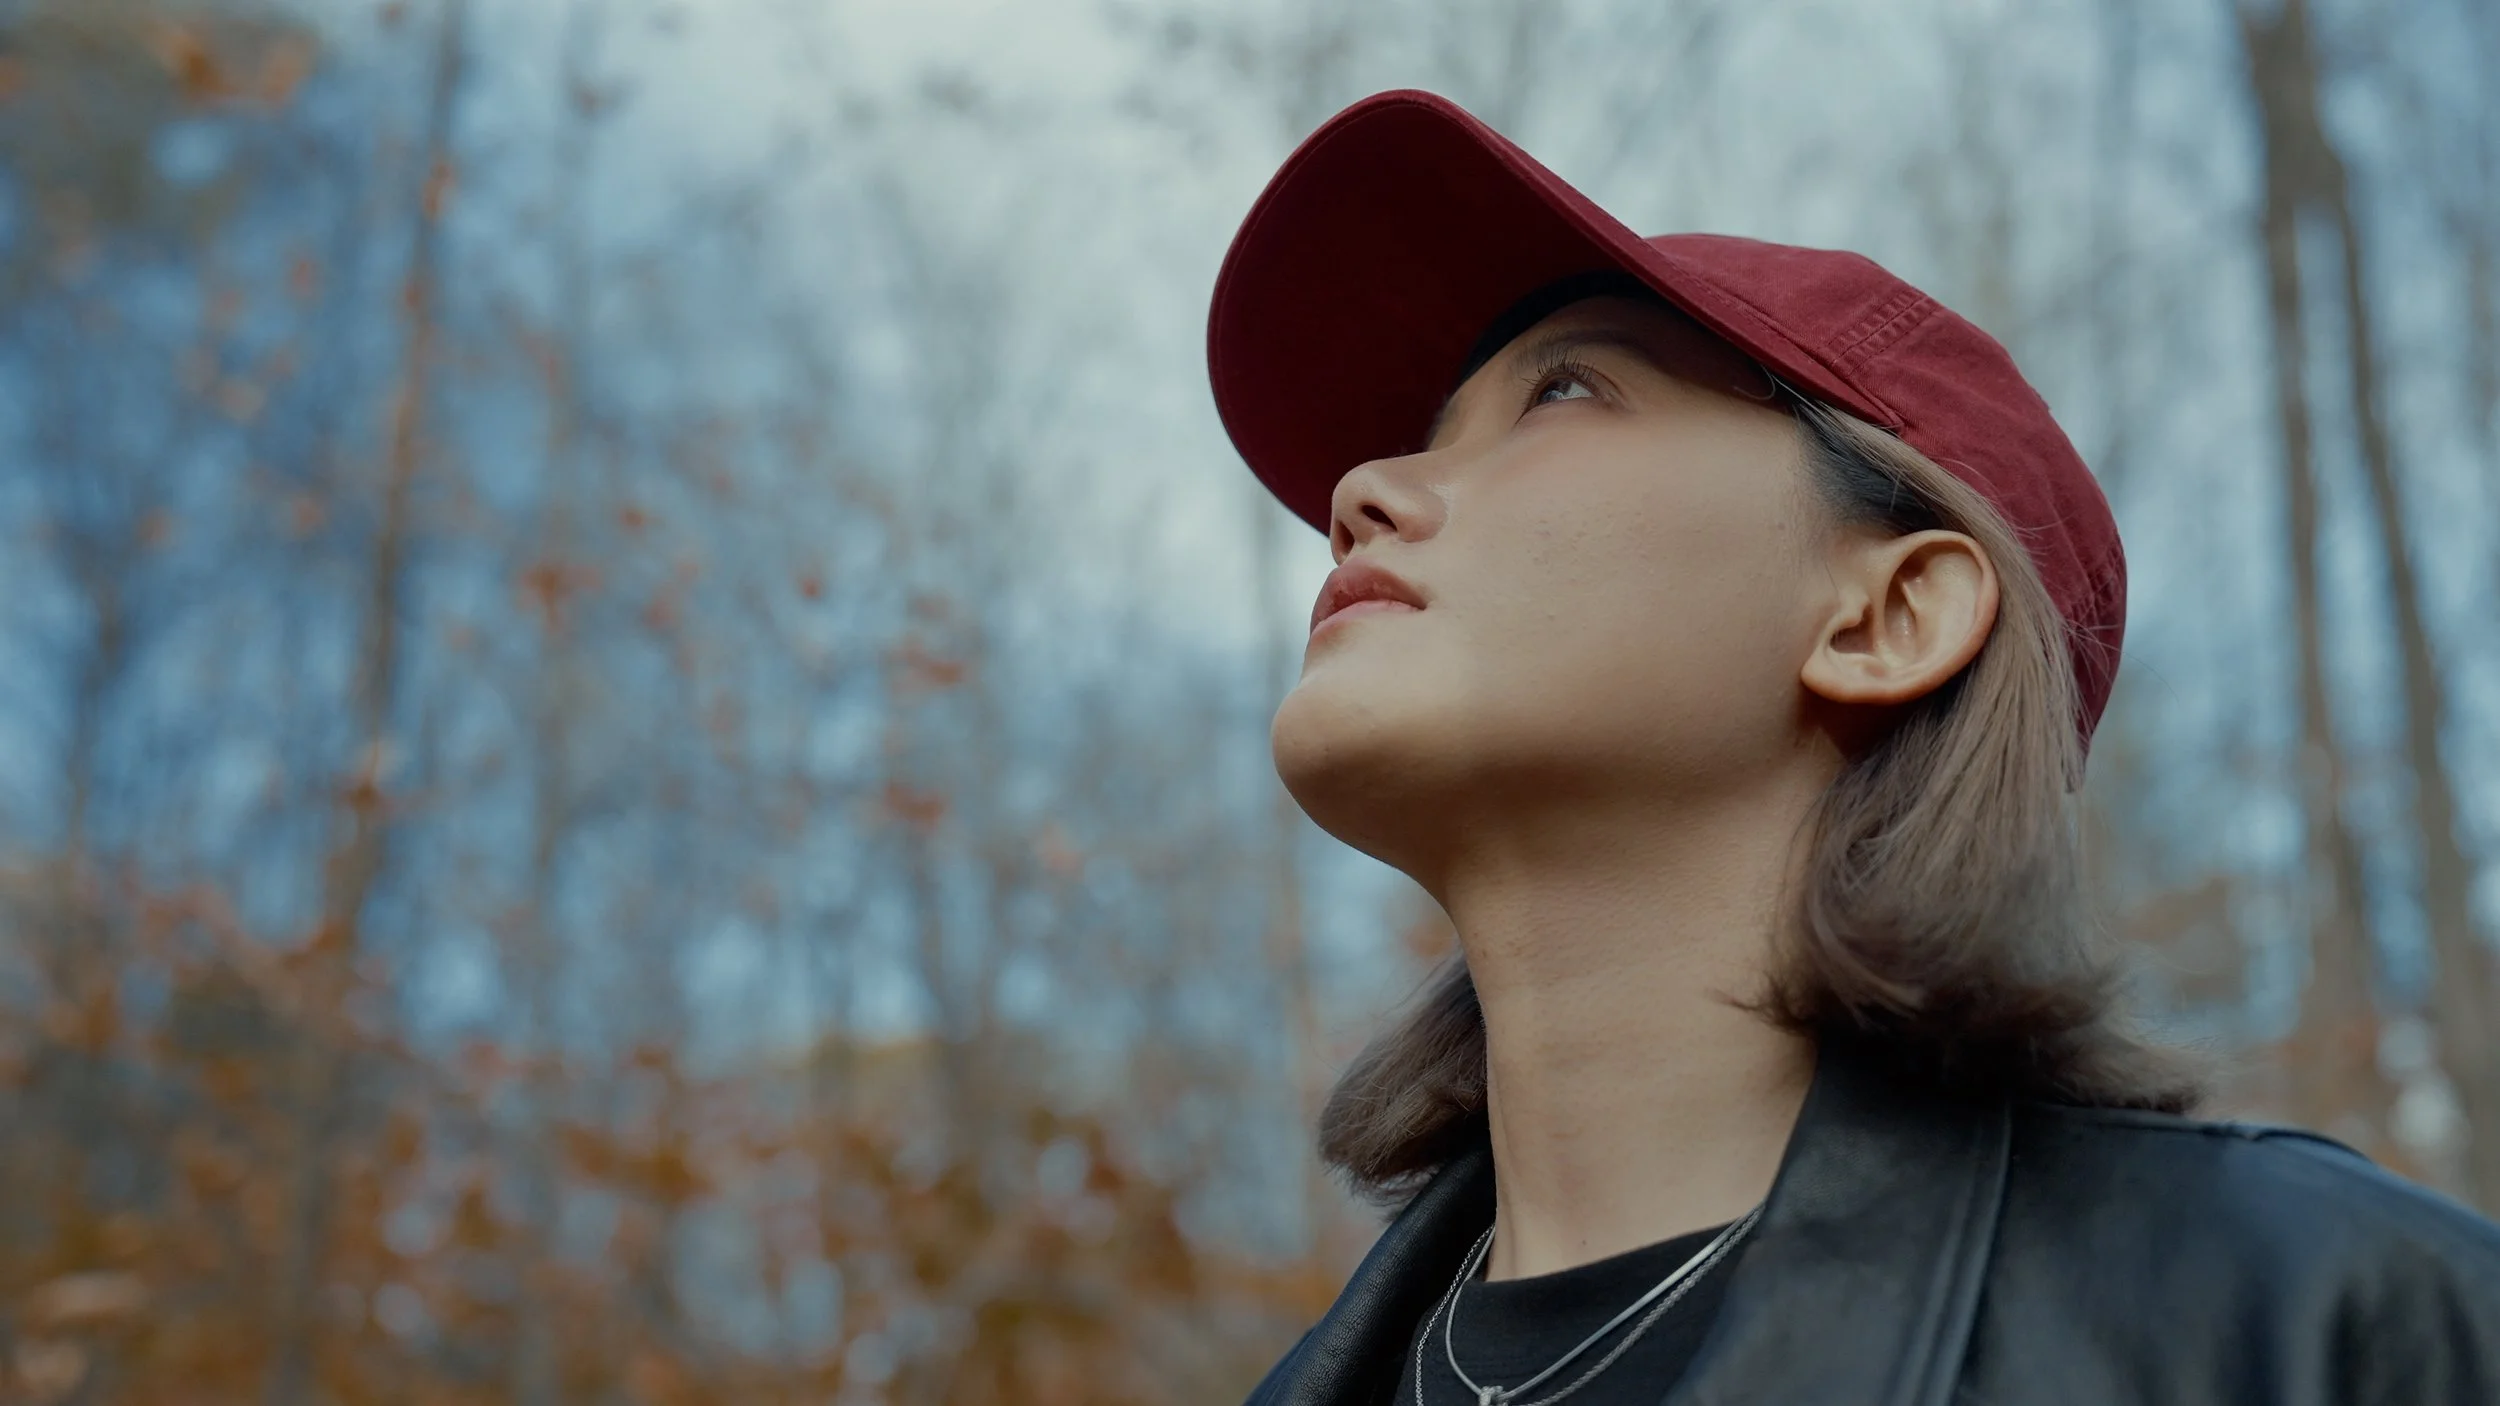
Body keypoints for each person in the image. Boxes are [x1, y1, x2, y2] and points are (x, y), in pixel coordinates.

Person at [1204, 89, 2500, 1406]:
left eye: (1564, 390)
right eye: (1425, 438)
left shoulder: (2331, 1329)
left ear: (1890, 617)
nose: (1361, 495)